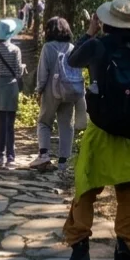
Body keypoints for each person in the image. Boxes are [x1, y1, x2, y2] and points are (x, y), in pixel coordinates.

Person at [60, 0, 130, 260]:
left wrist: (89, 33)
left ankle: (79, 252)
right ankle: (124, 257)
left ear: (105, 21)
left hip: (101, 132)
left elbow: (72, 60)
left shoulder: (96, 46)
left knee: (86, 189)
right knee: (128, 194)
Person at [29, 16, 87, 170]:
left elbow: (43, 73)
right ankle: (63, 162)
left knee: (44, 122)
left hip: (51, 91)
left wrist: (39, 91)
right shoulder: (72, 47)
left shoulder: (48, 47)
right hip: (70, 91)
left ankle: (44, 155)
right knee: (66, 125)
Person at [0, 17, 25, 169]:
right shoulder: (15, 50)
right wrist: (22, 68)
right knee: (10, 125)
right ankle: (10, 157)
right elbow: (18, 72)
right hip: (11, 87)